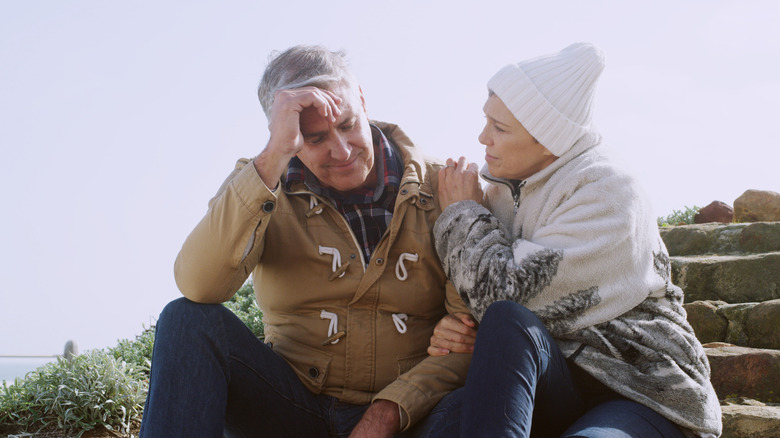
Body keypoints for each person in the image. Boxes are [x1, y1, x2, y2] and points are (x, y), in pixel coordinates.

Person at [139, 45, 472, 438]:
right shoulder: (259, 183)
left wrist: (386, 413)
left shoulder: (443, 188)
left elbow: (467, 334)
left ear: (362, 100)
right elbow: (199, 285)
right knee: (186, 319)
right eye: (314, 139)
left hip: (407, 415)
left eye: (348, 124)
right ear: (287, 134)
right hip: (292, 405)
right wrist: (273, 159)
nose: (342, 151)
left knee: (476, 399)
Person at [428, 43, 722, 437]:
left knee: (505, 314)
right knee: (440, 424)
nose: (483, 137)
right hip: (556, 378)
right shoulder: (499, 190)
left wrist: (463, 214)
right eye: (487, 120)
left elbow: (507, 292)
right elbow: (499, 316)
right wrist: (454, 328)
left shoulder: (609, 190)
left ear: (548, 141)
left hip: (639, 388)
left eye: (499, 129)